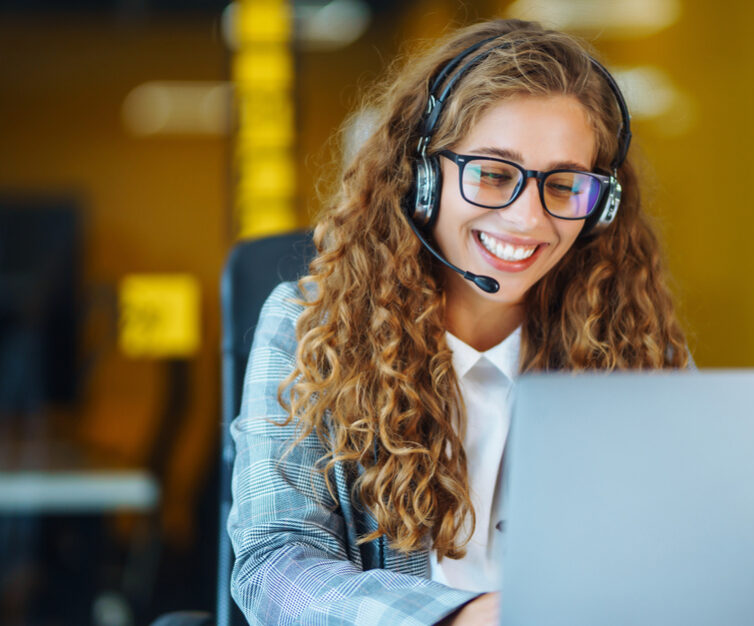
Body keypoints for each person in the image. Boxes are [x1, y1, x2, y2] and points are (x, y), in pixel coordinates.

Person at [227, 18, 690, 626]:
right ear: (422, 178)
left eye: (565, 184)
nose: (528, 220)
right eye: (494, 174)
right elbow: (275, 564)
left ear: (599, 205)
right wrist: (466, 618)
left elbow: (688, 549)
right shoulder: (308, 325)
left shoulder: (632, 335)